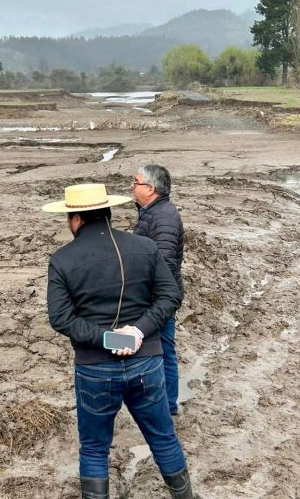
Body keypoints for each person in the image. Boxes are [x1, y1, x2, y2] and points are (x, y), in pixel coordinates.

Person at [43, 183, 195, 499]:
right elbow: (170, 295)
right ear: (108, 211)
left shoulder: (62, 259)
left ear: (75, 219)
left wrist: (110, 338)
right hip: (146, 362)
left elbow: (61, 319)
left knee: (94, 449)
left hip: (95, 369)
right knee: (164, 438)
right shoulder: (144, 247)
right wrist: (137, 332)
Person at [131, 164, 185, 417]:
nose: (132, 186)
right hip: (155, 295)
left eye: (136, 182)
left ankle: (168, 405)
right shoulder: (151, 212)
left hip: (160, 298)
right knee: (159, 348)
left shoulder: (163, 217)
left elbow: (165, 263)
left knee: (163, 349)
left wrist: (150, 297)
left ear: (150, 188)